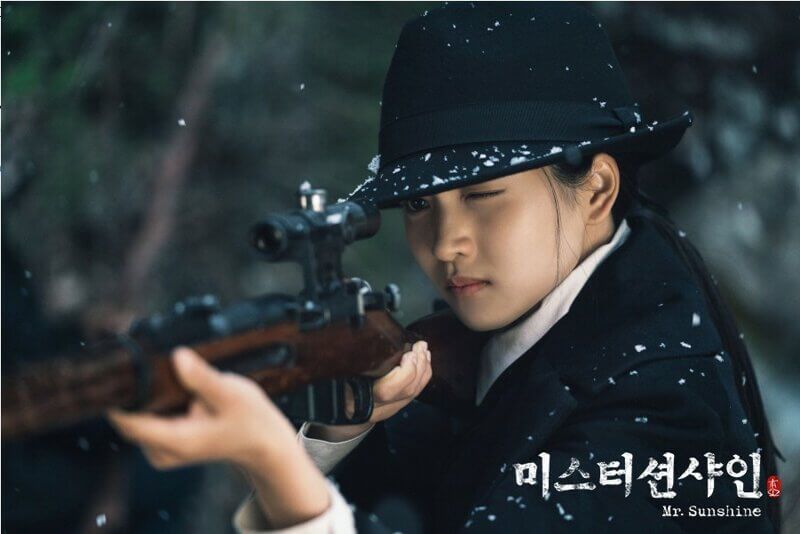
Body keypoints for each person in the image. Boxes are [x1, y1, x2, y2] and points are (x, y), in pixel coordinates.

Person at [108, 3, 781, 533]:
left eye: (483, 195)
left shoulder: (666, 411)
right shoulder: (485, 348)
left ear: (598, 190)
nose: (447, 242)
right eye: (418, 204)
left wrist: (277, 467)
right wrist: (339, 432)